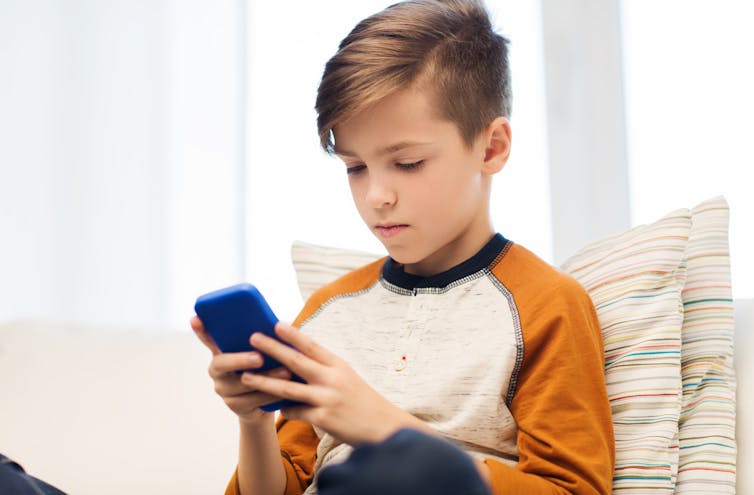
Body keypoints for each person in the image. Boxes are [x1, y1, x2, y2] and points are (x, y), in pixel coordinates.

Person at [191, 0, 615, 494]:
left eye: (408, 163)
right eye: (355, 167)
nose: (376, 195)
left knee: (399, 474)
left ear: (492, 147)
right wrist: (254, 421)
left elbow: (574, 490)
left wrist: (387, 430)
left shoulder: (546, 306)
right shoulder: (329, 310)